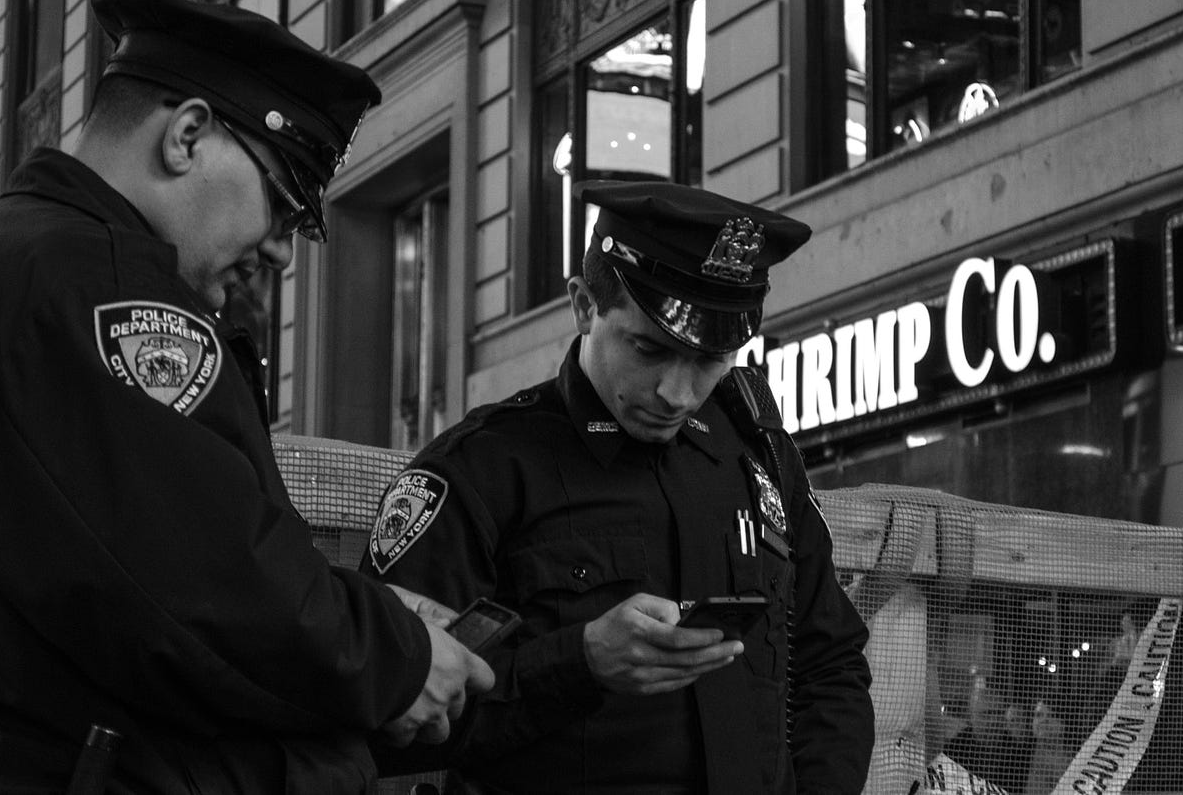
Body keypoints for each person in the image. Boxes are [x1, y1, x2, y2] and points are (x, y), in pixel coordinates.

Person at [0, 0, 494, 794]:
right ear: (187, 136)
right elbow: (206, 588)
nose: (282, 254)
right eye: (284, 206)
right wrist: (397, 658)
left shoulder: (25, 259)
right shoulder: (96, 284)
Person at [361, 181, 875, 793]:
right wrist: (580, 662)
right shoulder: (483, 470)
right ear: (583, 306)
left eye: (712, 361)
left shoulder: (757, 452)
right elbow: (382, 714)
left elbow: (831, 664)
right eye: (649, 350)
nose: (678, 394)